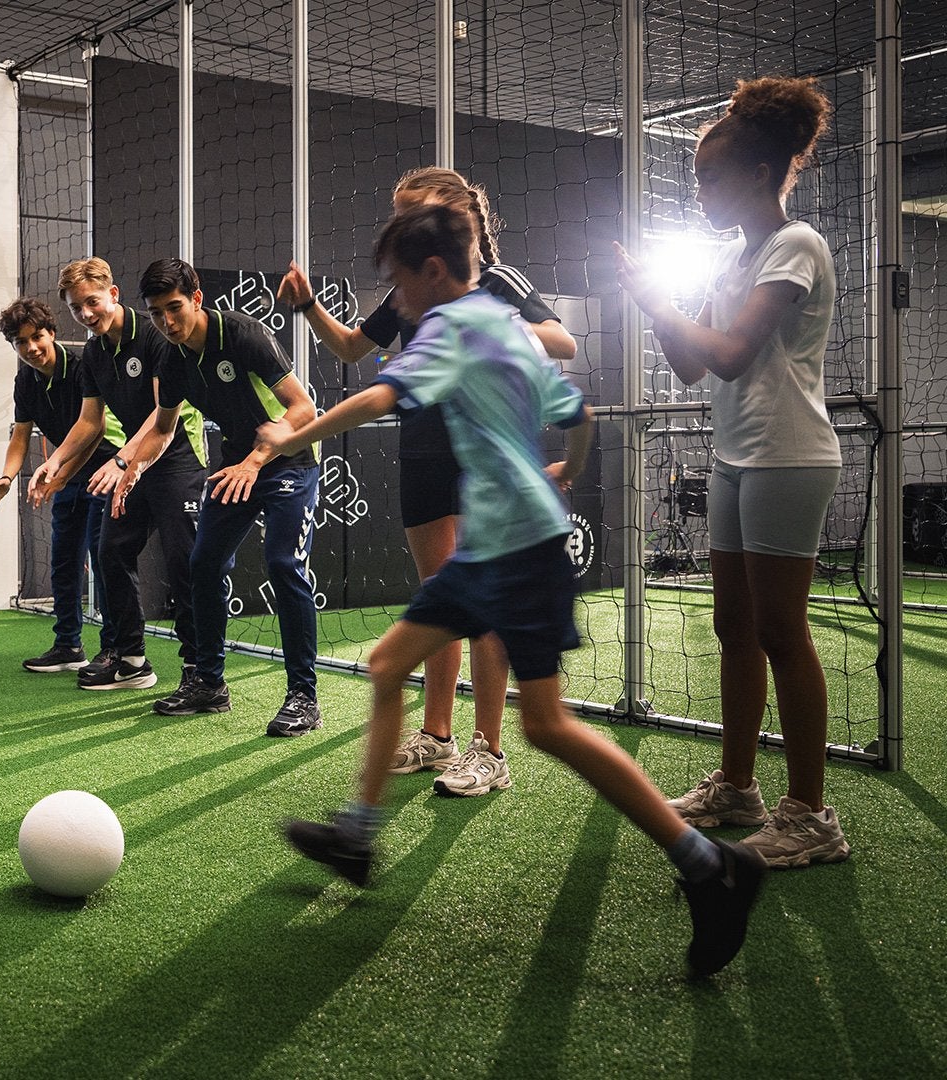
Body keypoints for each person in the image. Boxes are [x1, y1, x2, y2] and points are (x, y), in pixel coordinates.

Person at [277, 202, 765, 978]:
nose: (396, 301)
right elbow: (580, 412)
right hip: (500, 543)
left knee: (547, 725)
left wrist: (290, 436)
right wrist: (567, 469)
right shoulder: (505, 324)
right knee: (386, 664)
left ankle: (711, 863)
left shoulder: (449, 326)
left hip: (515, 552)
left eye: (399, 284)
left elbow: (377, 398)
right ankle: (357, 836)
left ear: (433, 272)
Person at [279, 166, 579, 798]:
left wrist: (487, 330)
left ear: (450, 214)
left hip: (481, 456)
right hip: (421, 451)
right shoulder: (409, 292)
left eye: (409, 211)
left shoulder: (494, 283)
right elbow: (352, 350)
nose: (399, 226)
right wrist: (307, 306)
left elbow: (563, 341)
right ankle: (438, 736)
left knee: (486, 603)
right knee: (439, 597)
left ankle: (488, 748)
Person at [618, 75, 848, 868]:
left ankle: (812, 815)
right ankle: (740, 785)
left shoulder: (796, 244)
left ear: (758, 172)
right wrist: (653, 305)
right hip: (734, 458)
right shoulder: (731, 259)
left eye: (710, 175)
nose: (701, 189)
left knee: (783, 629)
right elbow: (692, 368)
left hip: (790, 457)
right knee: (732, 627)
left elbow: (733, 351)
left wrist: (665, 302)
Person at [97, 258, 324, 735]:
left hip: (290, 462)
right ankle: (208, 683)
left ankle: (303, 696)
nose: (167, 322)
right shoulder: (172, 357)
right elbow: (162, 428)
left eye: (174, 308)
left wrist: (256, 461)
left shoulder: (243, 334)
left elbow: (303, 408)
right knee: (201, 564)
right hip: (237, 467)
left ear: (196, 299)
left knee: (284, 564)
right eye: (156, 314)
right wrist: (132, 467)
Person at [29, 257, 209, 692]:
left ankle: (198, 669)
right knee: (111, 551)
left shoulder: (153, 334)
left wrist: (122, 460)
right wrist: (54, 462)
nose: (86, 314)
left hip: (178, 459)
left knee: (185, 564)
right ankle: (130, 658)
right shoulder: (94, 352)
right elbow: (89, 423)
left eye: (91, 302)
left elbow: (161, 419)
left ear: (113, 293)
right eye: (76, 308)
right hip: (136, 466)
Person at [0, 296, 122, 672]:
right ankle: (68, 646)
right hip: (65, 477)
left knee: (104, 560)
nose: (31, 348)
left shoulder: (82, 368)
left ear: (52, 333)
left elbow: (94, 431)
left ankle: (113, 650)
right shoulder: (25, 380)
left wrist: (58, 471)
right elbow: (20, 436)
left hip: (104, 472)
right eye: (21, 342)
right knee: (63, 562)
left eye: (37, 337)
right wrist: (6, 477)